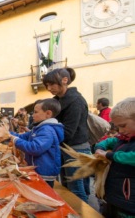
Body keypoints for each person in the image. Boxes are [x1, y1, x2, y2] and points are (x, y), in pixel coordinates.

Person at [42, 67, 91, 203]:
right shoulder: (57, 100)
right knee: (67, 187)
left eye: (51, 84)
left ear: (64, 81)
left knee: (76, 189)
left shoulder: (76, 101)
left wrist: (45, 139)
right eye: (47, 85)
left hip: (76, 148)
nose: (49, 88)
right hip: (65, 146)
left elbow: (69, 131)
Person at [0, 98, 64, 187]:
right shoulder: (40, 128)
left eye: (36, 112)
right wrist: (6, 133)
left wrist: (15, 140)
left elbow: (35, 148)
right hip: (38, 170)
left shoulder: (47, 130)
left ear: (48, 113)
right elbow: (22, 136)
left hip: (43, 173)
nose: (32, 115)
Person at [94, 97, 135, 218]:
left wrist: (108, 155)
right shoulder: (124, 138)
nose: (120, 131)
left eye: (123, 126)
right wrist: (99, 147)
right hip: (115, 198)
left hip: (129, 205)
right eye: (118, 127)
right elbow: (109, 141)